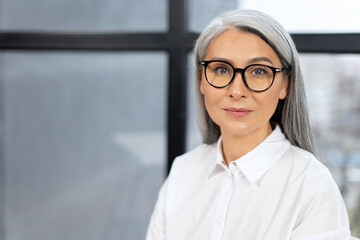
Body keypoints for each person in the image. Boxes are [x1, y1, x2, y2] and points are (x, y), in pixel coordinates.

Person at [146, 9, 351, 240]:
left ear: (285, 84)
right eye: (222, 69)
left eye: (258, 71)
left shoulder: (311, 185)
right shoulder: (183, 172)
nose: (236, 91)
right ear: (201, 79)